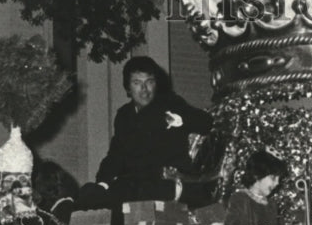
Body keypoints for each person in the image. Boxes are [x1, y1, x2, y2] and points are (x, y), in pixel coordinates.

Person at [76, 56, 214, 210]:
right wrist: (102, 184)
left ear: (156, 84)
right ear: (128, 88)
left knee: (123, 194)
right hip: (136, 185)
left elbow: (205, 122)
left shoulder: (170, 103)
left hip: (167, 182)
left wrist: (180, 119)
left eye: (149, 82)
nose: (144, 89)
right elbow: (115, 156)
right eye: (137, 83)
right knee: (88, 195)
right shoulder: (124, 115)